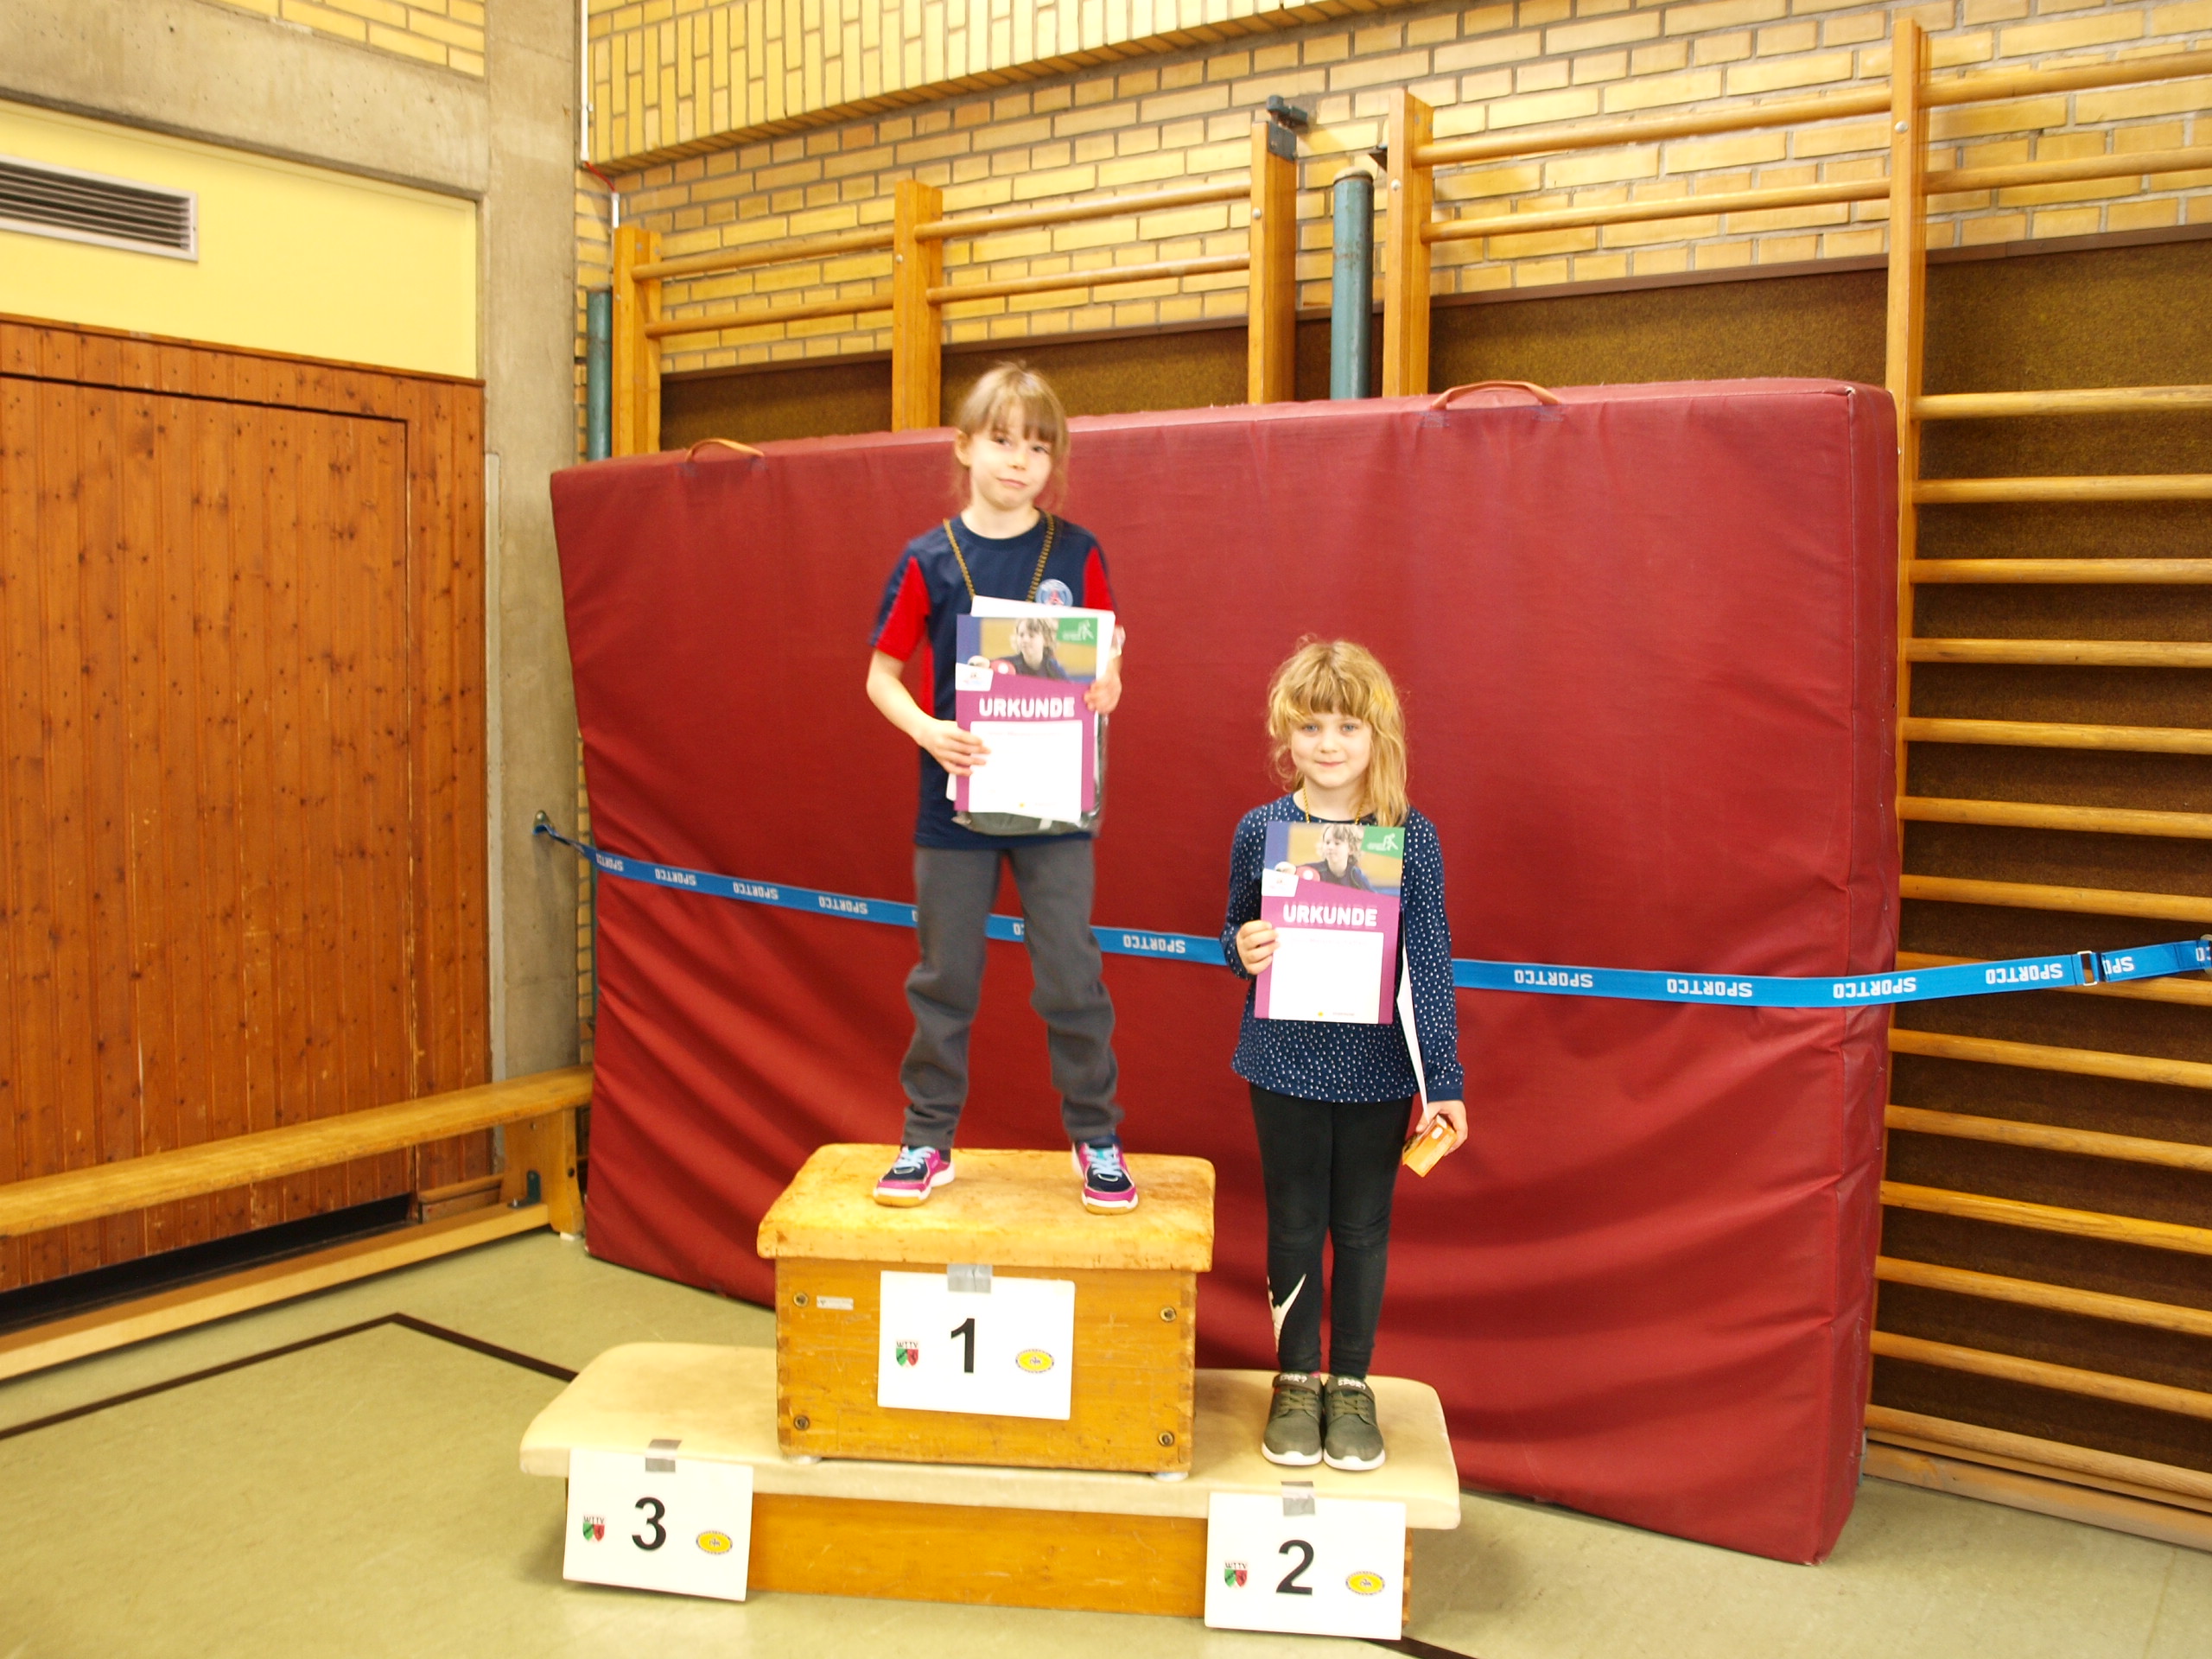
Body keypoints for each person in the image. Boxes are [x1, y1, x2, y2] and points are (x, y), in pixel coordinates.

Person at [864, 363, 1136, 1214]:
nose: (1020, 461)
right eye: (1003, 441)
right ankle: (926, 1139)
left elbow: (1108, 652)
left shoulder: (1076, 553)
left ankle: (1096, 1136)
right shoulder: (928, 559)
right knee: (944, 978)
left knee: (1070, 976)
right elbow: (879, 676)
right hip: (956, 806)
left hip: (1054, 805)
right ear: (964, 447)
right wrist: (926, 729)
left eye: (1039, 448)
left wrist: (1108, 681)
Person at [1220, 639, 1467, 1471]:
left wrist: (1444, 1081)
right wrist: (1242, 947)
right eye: (1312, 727)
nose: (1328, 744)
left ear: (1377, 736)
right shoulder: (1261, 830)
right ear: (1286, 736)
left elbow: (1428, 964)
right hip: (1281, 1064)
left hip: (1378, 1073)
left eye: (1348, 727)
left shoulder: (1410, 838)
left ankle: (1351, 1385)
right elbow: (1232, 932)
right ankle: (1297, 1381)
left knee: (1362, 1230)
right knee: (1294, 1224)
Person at [1297, 820, 1378, 893]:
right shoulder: (1316, 870)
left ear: (1351, 849)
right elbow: (1294, 870)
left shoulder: (1355, 876)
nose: (1330, 847)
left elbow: (1374, 900)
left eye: (1337, 843)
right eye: (1327, 842)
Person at [993, 615, 1073, 681]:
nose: (1025, 640)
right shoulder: (1010, 663)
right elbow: (990, 665)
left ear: (1047, 640)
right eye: (1021, 635)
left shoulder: (1053, 669)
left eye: (1031, 636)